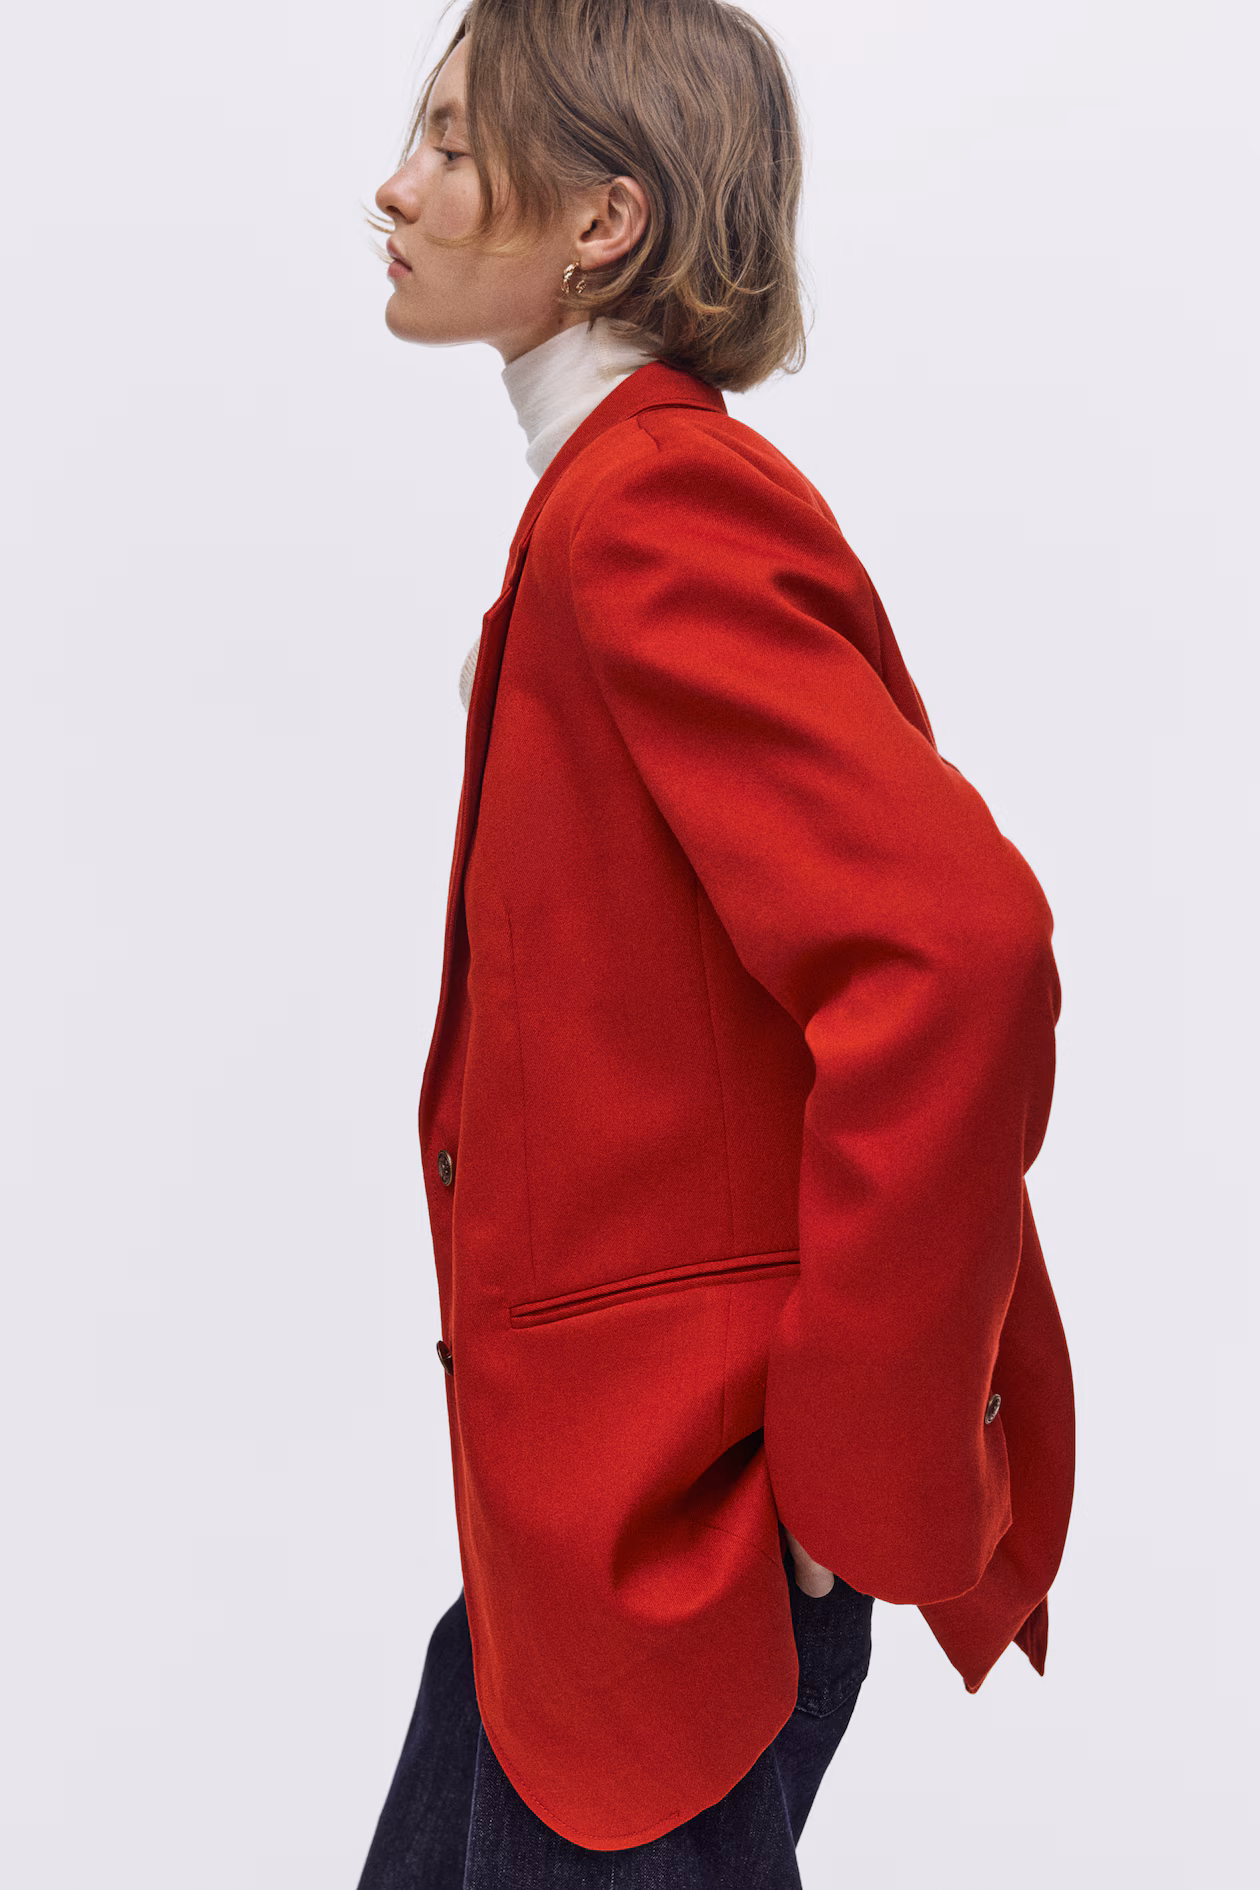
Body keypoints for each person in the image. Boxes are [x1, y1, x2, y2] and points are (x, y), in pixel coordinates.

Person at [356, 1, 1075, 1883]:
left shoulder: (650, 510)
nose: (394, 187)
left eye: (451, 142)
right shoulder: (597, 513)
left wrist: (859, 1449)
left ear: (605, 220)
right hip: (569, 1550)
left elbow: (961, 951)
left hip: (681, 1549)